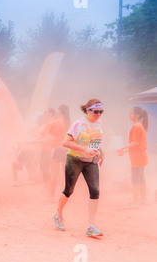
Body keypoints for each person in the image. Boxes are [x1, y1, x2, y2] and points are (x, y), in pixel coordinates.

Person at [53, 99, 105, 237]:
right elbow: (65, 142)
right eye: (96, 111)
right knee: (69, 190)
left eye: (101, 111)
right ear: (88, 110)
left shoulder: (99, 124)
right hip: (74, 160)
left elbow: (95, 140)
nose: (98, 114)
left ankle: (91, 225)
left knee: (95, 191)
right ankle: (58, 215)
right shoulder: (78, 124)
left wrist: (100, 152)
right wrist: (84, 149)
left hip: (90, 161)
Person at [117, 107, 148, 207]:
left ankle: (135, 201)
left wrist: (123, 148)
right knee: (140, 178)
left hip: (138, 157)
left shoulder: (136, 126)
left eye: (131, 113)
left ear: (137, 115)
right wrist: (125, 150)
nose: (129, 114)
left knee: (135, 179)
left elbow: (135, 142)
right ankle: (142, 199)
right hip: (140, 156)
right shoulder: (139, 125)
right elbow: (136, 144)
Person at [45, 105, 71, 201]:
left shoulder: (55, 123)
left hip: (57, 149)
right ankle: (67, 195)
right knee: (66, 174)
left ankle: (51, 196)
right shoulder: (71, 123)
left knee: (54, 174)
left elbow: (50, 137)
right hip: (67, 149)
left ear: (59, 111)